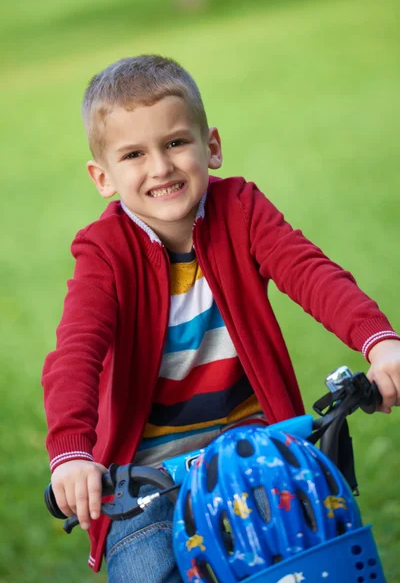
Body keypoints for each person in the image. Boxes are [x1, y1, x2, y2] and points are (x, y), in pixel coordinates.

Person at [42, 55, 400, 582]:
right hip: (147, 485)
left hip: (258, 455)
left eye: (175, 143)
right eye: (134, 154)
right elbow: (77, 349)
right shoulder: (105, 251)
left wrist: (379, 342)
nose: (160, 167)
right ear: (103, 176)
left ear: (210, 146)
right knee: (147, 569)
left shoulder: (242, 210)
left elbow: (311, 273)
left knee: (321, 561)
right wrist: (71, 451)